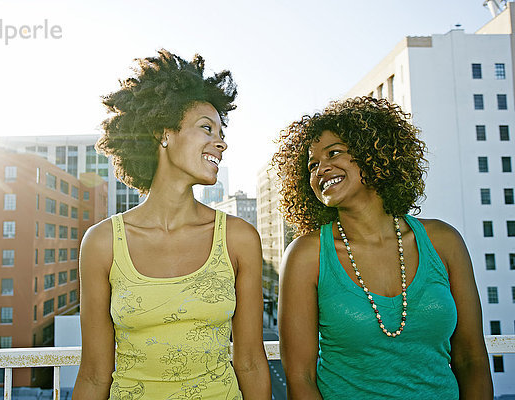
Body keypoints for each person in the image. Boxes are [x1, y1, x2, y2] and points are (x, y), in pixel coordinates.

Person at [72, 50, 271, 400]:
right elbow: (92, 376)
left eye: (222, 133)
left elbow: (252, 362)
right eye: (206, 128)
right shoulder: (102, 243)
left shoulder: (239, 238)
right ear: (165, 133)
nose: (221, 143)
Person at [273, 97, 493, 399]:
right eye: (312, 165)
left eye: (333, 153)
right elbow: (301, 378)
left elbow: (473, 359)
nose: (321, 169)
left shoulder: (444, 241)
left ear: (372, 154)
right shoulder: (306, 256)